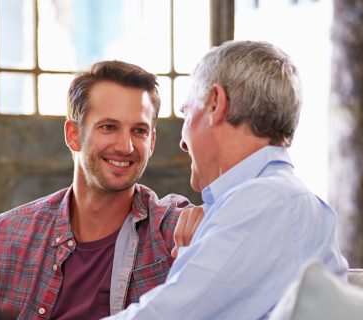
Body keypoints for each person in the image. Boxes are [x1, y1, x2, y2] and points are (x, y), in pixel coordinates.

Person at [105, 40, 349, 319]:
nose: (183, 142)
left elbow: (164, 316)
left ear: (215, 103)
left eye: (186, 113)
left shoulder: (265, 203)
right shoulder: (273, 199)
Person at [0, 60, 193, 319]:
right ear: (73, 135)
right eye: (108, 127)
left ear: (151, 143)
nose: (126, 146)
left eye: (139, 131)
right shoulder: (2, 240)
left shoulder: (172, 233)